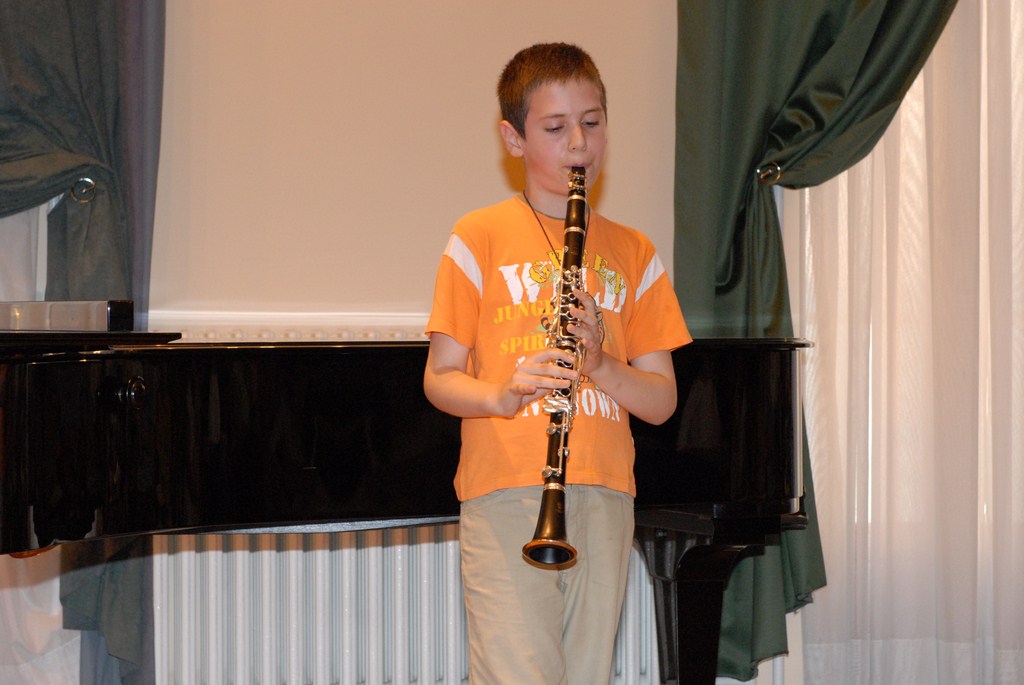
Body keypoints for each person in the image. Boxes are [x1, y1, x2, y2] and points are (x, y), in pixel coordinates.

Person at [423, 42, 691, 685]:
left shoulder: (634, 251)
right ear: (512, 138)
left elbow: (660, 400)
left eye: (593, 122)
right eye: (555, 127)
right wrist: (501, 394)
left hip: (605, 491)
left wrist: (600, 362)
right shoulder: (478, 237)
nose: (579, 143)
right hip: (509, 488)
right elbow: (439, 378)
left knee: (586, 674)